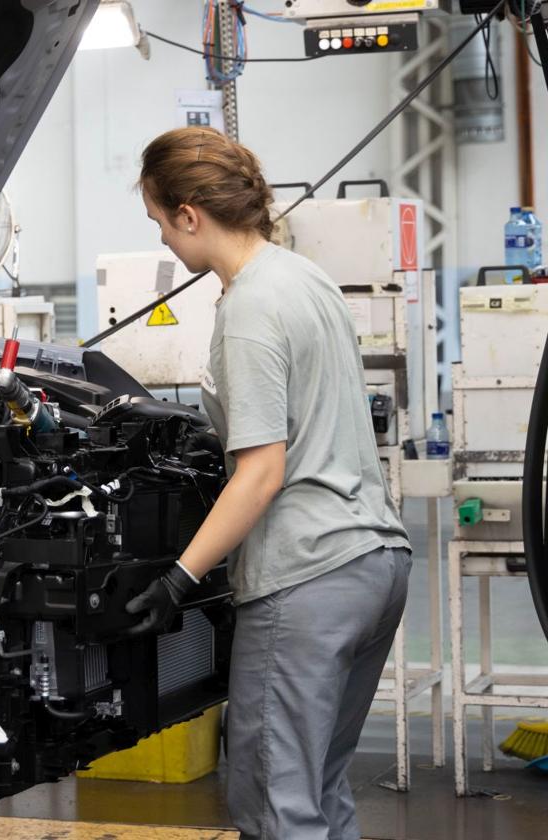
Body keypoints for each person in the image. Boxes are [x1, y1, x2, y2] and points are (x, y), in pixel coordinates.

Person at [124, 126, 412, 840]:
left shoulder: (249, 306)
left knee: (274, 803)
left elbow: (261, 472)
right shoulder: (302, 275)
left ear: (190, 213)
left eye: (160, 221)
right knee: (317, 789)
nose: (162, 239)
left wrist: (177, 581)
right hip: (376, 564)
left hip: (306, 578)